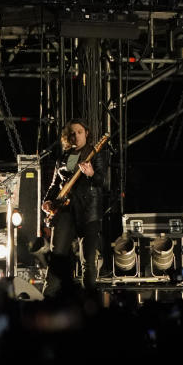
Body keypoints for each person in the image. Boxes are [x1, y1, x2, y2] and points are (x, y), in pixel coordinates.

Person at [42, 119, 108, 298]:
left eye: (80, 132)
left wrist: (91, 174)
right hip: (65, 210)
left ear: (86, 133)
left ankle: (90, 302)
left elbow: (104, 182)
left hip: (88, 211)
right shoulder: (64, 156)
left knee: (88, 260)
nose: (76, 136)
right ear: (67, 136)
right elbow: (55, 185)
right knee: (57, 256)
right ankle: (48, 300)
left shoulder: (96, 154)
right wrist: (47, 201)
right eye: (72, 133)